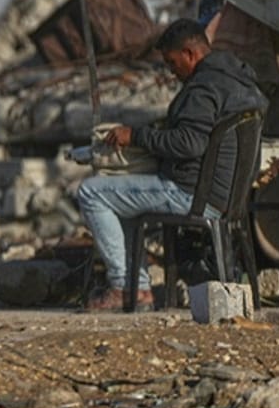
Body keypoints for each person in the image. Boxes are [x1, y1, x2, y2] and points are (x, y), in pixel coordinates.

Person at [77, 18, 267, 311]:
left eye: (172, 62)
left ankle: (127, 287)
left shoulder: (203, 88)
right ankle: (135, 285)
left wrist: (136, 135)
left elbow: (189, 143)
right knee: (120, 193)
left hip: (193, 195)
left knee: (92, 192)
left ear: (190, 54)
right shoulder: (239, 83)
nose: (171, 71)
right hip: (225, 198)